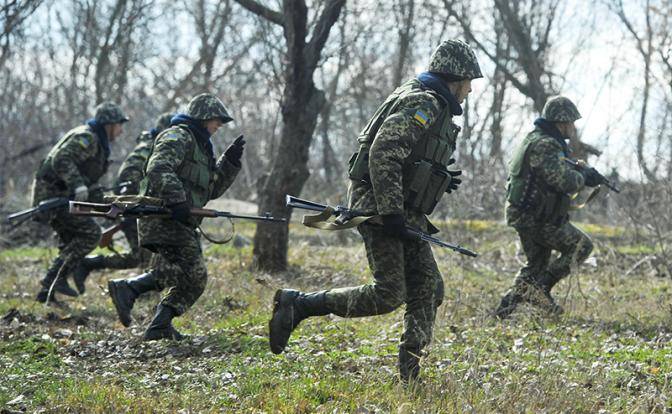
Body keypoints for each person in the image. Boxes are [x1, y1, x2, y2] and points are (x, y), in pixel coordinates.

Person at [268, 40, 482, 383]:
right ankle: (300, 305)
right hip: (382, 207)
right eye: (469, 80)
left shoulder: (430, 101)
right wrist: (392, 212)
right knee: (389, 293)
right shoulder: (423, 101)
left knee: (428, 287)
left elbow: (409, 155)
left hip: (397, 208)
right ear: (455, 76)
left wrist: (438, 176)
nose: (470, 89)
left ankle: (410, 376)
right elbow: (384, 152)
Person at [107, 93, 245, 341]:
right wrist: (177, 200)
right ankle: (130, 289)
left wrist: (230, 163)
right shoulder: (178, 135)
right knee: (194, 274)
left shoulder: (202, 148)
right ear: (203, 117)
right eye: (217, 120)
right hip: (163, 217)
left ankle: (157, 323)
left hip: (181, 220)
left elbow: (210, 190)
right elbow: (158, 167)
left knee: (185, 275)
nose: (219, 126)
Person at [494, 96, 601, 319]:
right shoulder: (547, 144)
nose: (573, 128)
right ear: (561, 122)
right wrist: (584, 177)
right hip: (535, 217)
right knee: (581, 246)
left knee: (536, 265)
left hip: (527, 214)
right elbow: (563, 180)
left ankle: (503, 311)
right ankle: (540, 289)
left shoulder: (535, 139)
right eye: (571, 123)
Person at [32, 102, 129, 303]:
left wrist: (104, 200)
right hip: (54, 197)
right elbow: (61, 159)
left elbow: (87, 178)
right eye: (120, 125)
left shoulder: (97, 140)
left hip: (62, 197)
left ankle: (46, 294)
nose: (121, 131)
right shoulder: (88, 137)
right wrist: (78, 185)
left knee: (70, 239)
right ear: (108, 124)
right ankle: (54, 280)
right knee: (91, 234)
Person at [71, 112, 174, 294]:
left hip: (142, 207)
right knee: (143, 255)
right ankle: (136, 289)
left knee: (141, 256)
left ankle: (92, 265)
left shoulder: (156, 147)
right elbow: (129, 175)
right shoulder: (147, 148)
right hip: (134, 207)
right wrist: (132, 203)